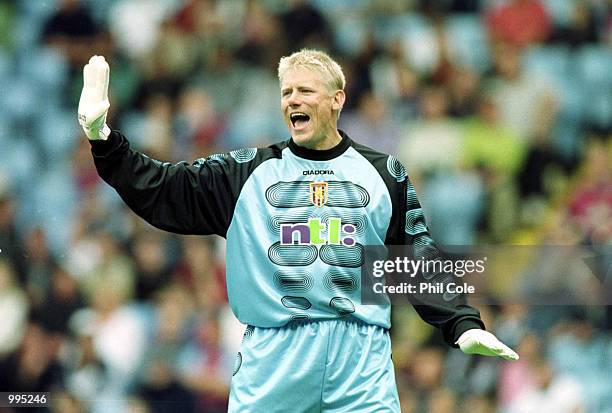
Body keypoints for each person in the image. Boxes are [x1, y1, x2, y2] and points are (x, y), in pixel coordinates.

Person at [78, 50, 518, 412]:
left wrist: (461, 322)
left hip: (360, 360)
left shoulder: (384, 174)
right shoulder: (246, 174)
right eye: (286, 92)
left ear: (337, 100)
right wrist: (104, 139)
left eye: (305, 90)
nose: (292, 100)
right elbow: (162, 188)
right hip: (274, 361)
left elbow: (415, 258)